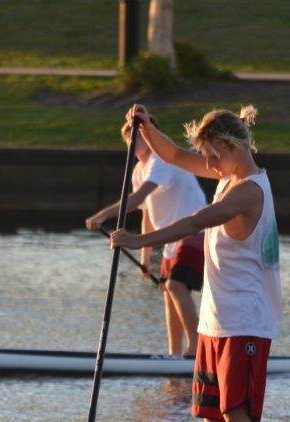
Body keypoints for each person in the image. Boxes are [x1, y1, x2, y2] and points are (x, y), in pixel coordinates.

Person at [110, 103, 282, 422]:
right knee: (211, 417)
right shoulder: (227, 175)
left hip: (246, 321)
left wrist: (140, 240)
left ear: (230, 146)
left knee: (235, 414)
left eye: (212, 156)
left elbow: (196, 221)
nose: (208, 165)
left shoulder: (249, 191)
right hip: (214, 321)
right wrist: (144, 125)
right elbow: (171, 155)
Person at [86, 118, 207, 356]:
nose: (133, 142)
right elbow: (147, 213)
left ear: (151, 136)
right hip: (172, 238)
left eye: (138, 137)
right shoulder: (139, 170)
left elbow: (136, 199)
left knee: (175, 285)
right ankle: (174, 354)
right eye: (129, 139)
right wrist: (145, 257)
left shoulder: (161, 160)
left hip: (195, 231)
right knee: (168, 293)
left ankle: (195, 349)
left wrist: (103, 215)